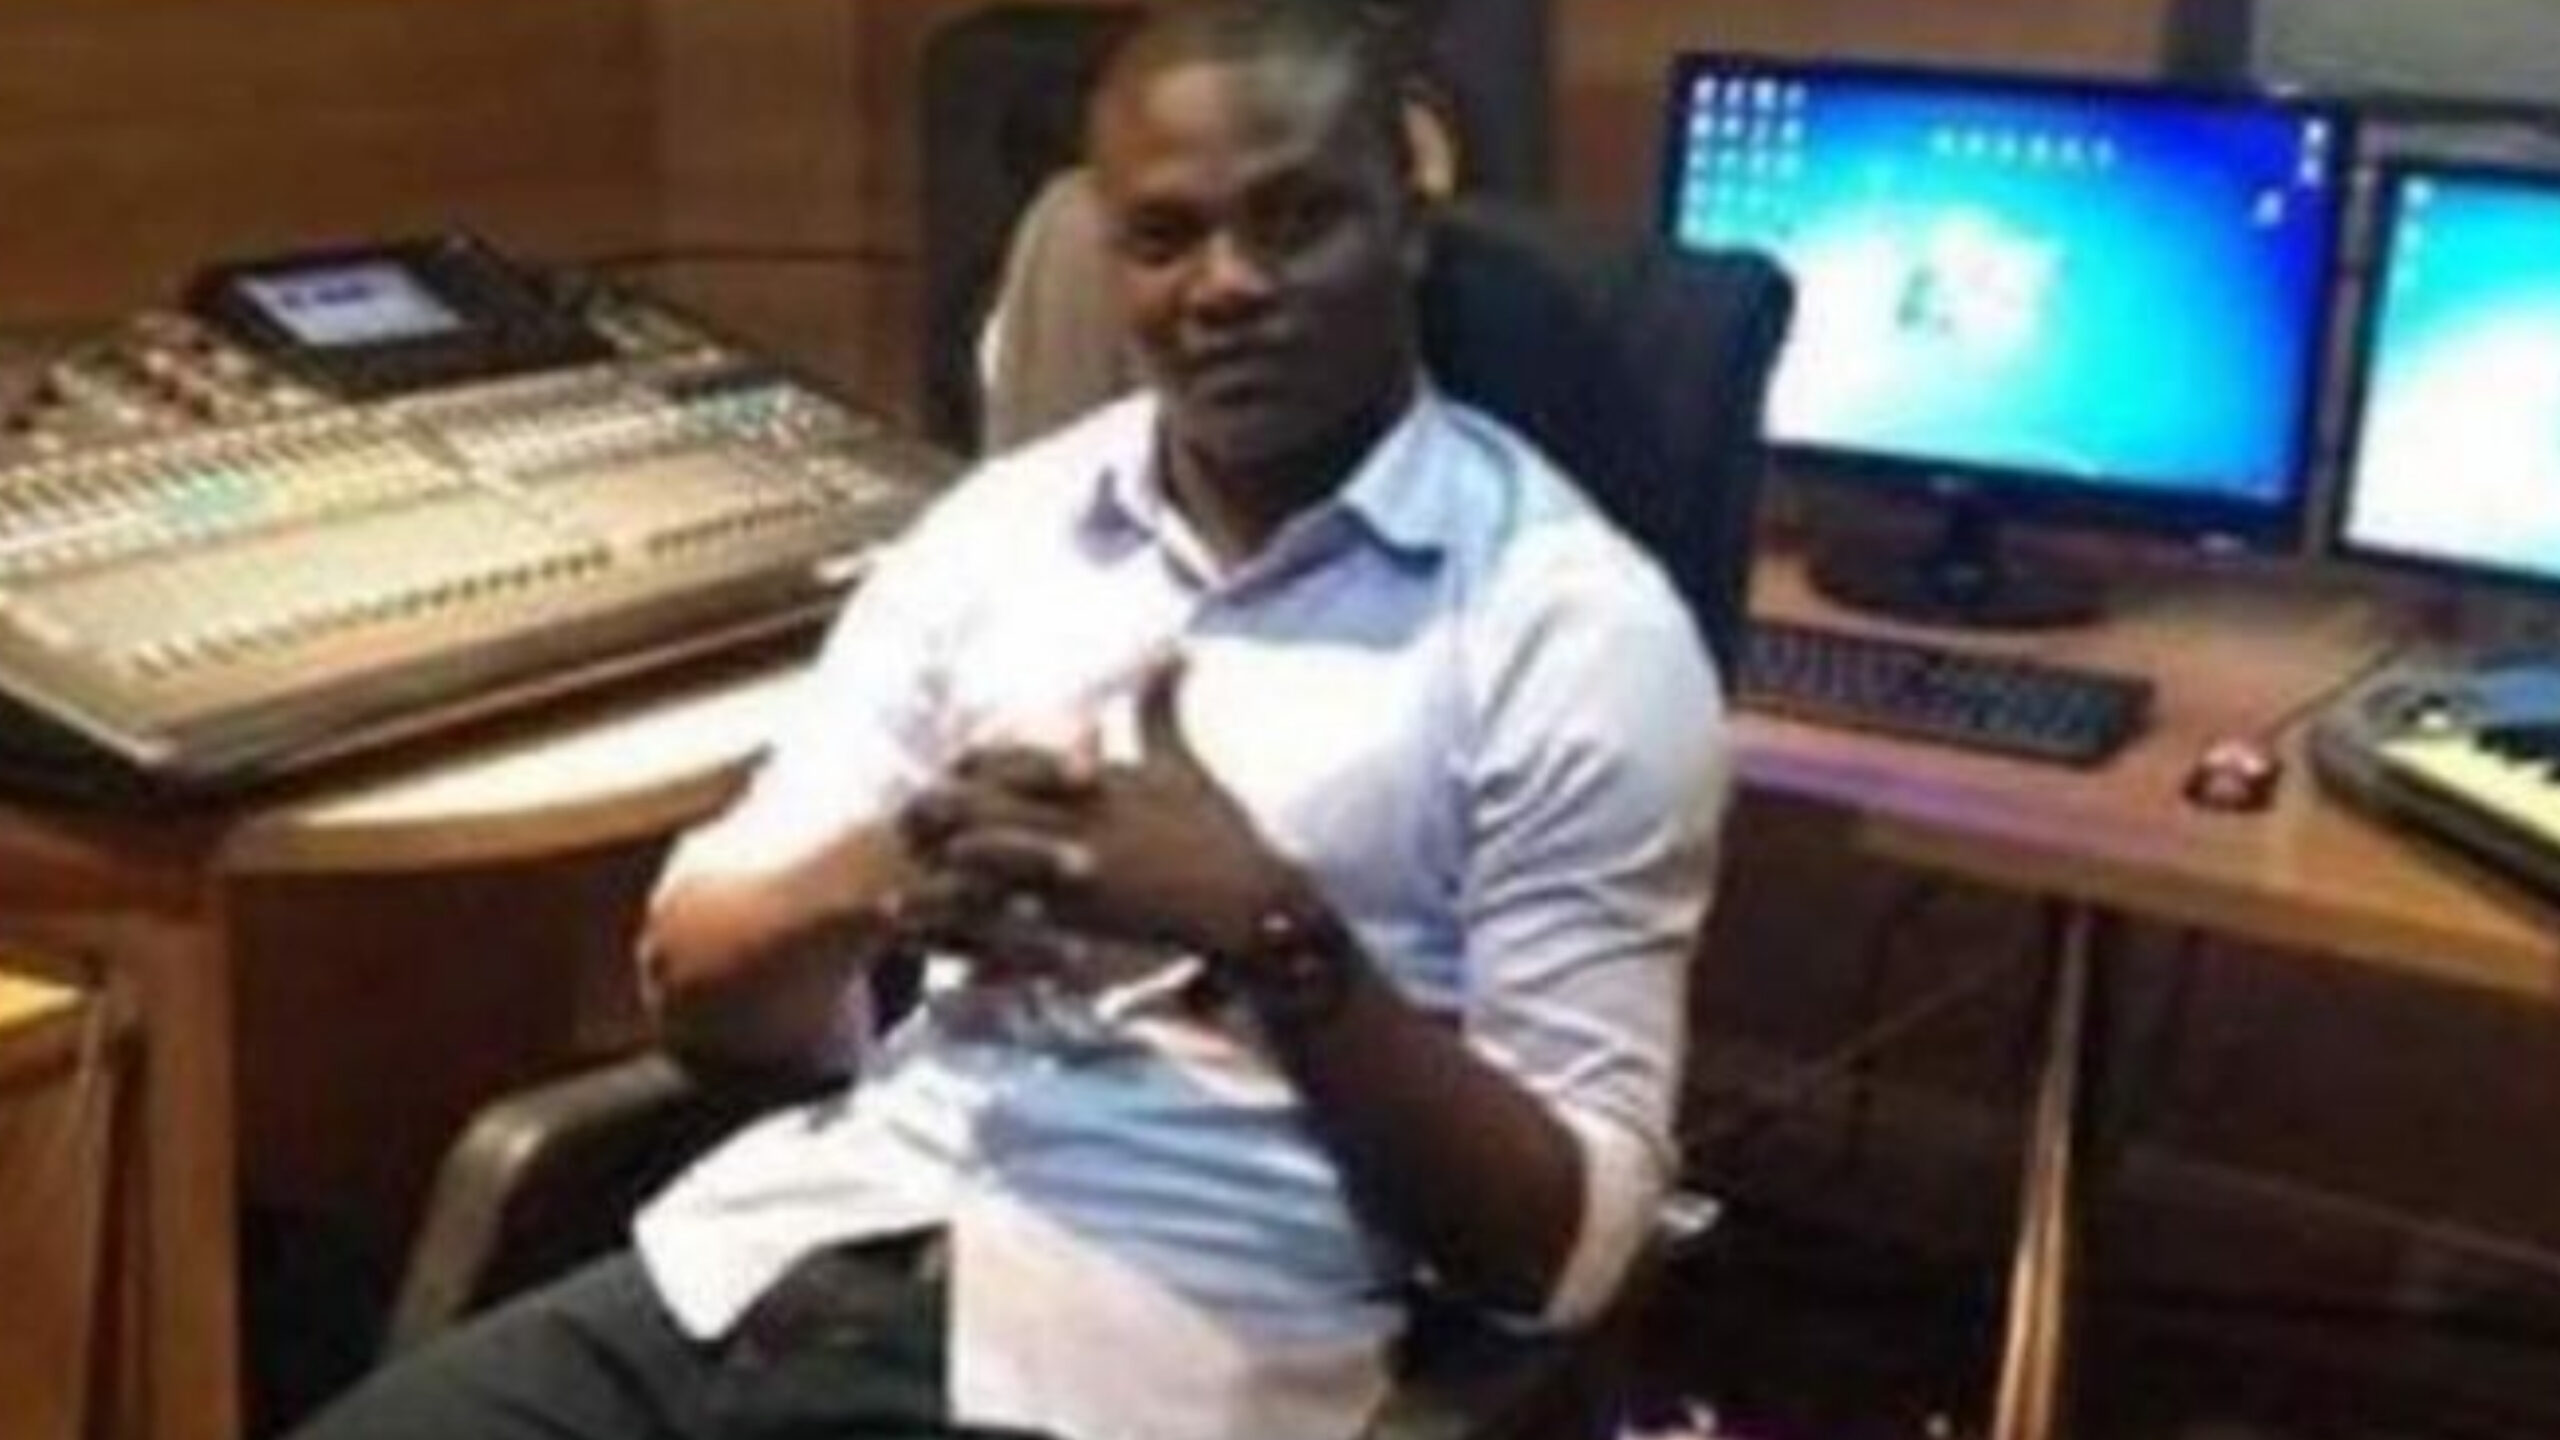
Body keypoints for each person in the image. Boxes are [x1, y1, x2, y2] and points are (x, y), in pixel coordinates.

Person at [295, 3, 1726, 1437]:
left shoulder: (1569, 626)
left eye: (1295, 222)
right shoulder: (994, 536)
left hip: (1151, 1351)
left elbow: (1563, 1256)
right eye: (1164, 238)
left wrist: (1269, 931)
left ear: (1408, 229)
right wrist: (893, 871)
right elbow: (706, 997)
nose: (1226, 284)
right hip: (780, 1262)